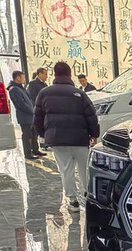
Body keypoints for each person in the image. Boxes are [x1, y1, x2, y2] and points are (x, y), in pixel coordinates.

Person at [34, 62, 100, 213]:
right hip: (80, 139)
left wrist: (44, 134)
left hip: (57, 140)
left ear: (54, 74)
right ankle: (87, 196)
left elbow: (37, 118)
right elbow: (91, 116)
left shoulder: (44, 93)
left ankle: (73, 201)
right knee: (84, 169)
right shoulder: (79, 93)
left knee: (66, 170)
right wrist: (94, 134)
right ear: (69, 74)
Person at [7, 70, 46, 160]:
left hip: (30, 115)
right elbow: (21, 104)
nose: (24, 79)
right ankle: (28, 153)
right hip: (24, 116)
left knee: (34, 134)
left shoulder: (20, 87)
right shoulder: (14, 89)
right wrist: (32, 111)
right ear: (18, 78)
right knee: (27, 136)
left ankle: (35, 150)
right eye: (23, 77)